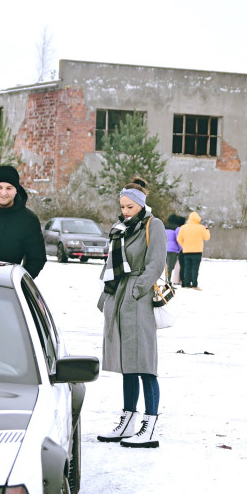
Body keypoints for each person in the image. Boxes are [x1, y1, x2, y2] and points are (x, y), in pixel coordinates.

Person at [96, 177, 166, 449]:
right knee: (127, 364)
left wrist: (137, 290)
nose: (124, 211)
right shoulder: (120, 228)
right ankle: (128, 421)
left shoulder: (153, 225)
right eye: (122, 207)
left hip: (138, 298)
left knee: (145, 364)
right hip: (120, 296)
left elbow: (156, 263)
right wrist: (108, 296)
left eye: (129, 207)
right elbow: (111, 264)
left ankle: (150, 425)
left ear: (140, 205)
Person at [0, 165, 46, 277]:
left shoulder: (28, 220)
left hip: (4, 284)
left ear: (16, 190)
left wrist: (18, 281)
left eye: (9, 188)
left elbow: (36, 259)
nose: (3, 193)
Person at [177, 211, 210, 289]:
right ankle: (194, 284)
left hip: (187, 251)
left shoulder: (183, 227)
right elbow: (207, 237)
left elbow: (179, 239)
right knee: (195, 268)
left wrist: (184, 246)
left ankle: (187, 284)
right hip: (197, 251)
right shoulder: (201, 227)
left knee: (187, 268)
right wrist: (207, 229)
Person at [164, 213, 185, 285]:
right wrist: (180, 248)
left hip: (164, 249)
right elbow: (178, 239)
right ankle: (167, 282)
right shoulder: (177, 228)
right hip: (173, 250)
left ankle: (166, 280)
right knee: (170, 266)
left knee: (167, 266)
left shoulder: (164, 227)